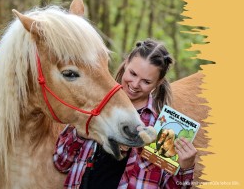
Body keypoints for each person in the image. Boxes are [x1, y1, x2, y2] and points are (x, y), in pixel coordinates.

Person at [53, 39, 197, 189]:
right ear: (126, 63)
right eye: (133, 73)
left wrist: (185, 168)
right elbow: (60, 163)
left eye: (146, 82)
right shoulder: (94, 104)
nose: (135, 85)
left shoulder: (164, 128)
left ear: (158, 83)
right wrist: (79, 135)